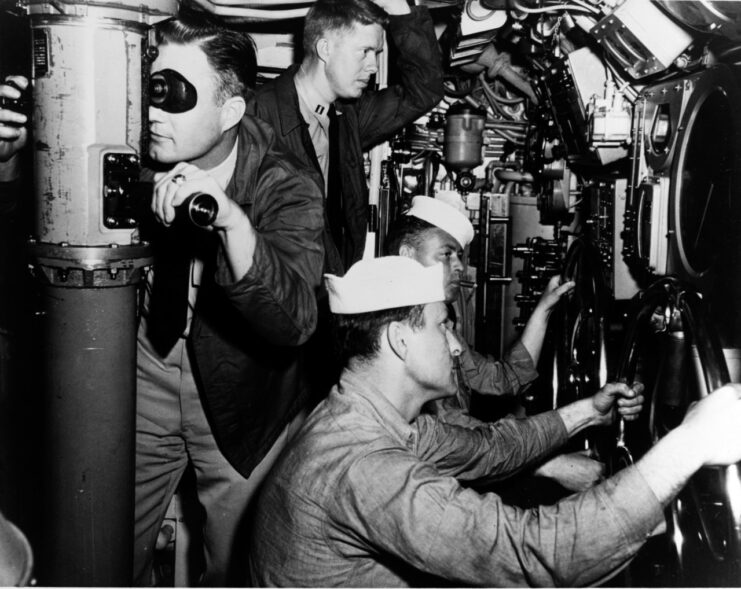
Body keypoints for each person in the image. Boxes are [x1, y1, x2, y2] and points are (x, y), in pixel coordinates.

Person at [248, 255, 741, 587]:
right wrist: (690, 443)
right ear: (400, 340)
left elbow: (489, 447)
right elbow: (533, 552)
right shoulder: (365, 467)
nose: (456, 342)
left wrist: (586, 412)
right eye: (444, 324)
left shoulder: (364, 415)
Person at [133, 13, 324, 586]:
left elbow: (294, 321)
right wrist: (15, 160)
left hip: (246, 396)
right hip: (144, 370)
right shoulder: (128, 145)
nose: (153, 111)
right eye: (152, 88)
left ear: (230, 111)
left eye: (176, 96)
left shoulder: (285, 181)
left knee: (235, 568)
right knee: (97, 539)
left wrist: (234, 223)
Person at [385, 195, 605, 492]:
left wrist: (544, 309)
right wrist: (548, 464)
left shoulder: (442, 324)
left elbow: (501, 380)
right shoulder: (395, 335)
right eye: (447, 254)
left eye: (459, 256)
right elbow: (444, 437)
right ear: (407, 255)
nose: (460, 267)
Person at [246, 0, 443, 274]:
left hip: (326, 296)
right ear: (325, 48)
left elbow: (424, 90)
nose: (373, 66)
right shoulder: (255, 117)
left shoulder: (348, 116)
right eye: (364, 52)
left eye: (376, 53)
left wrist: (400, 9)